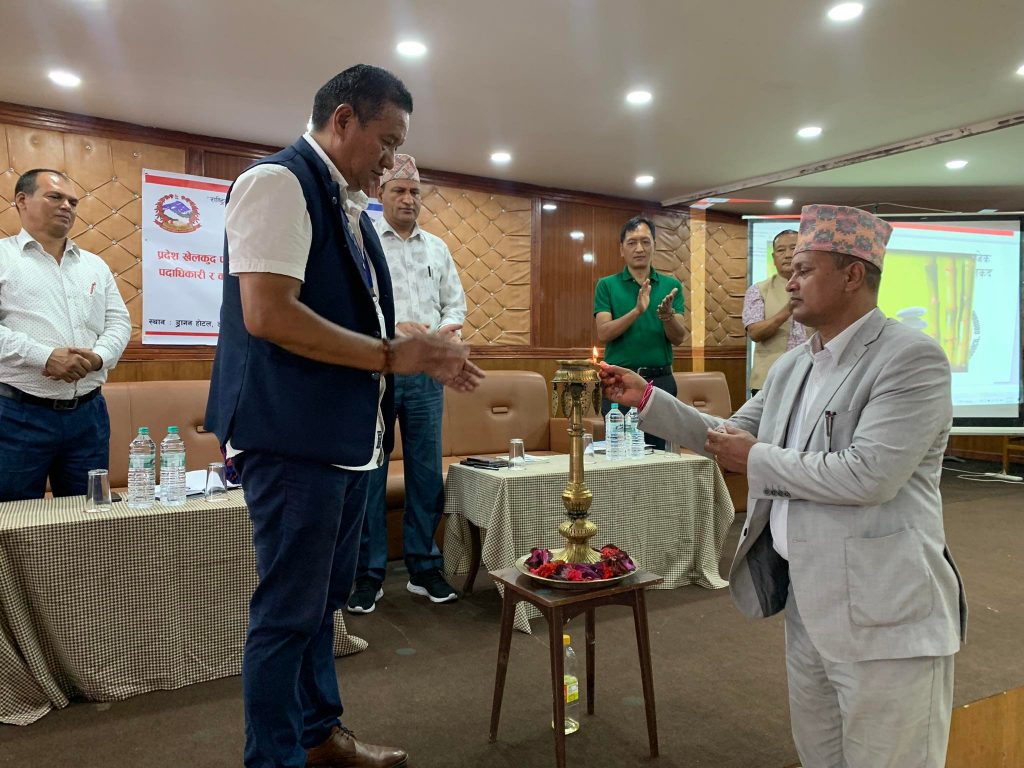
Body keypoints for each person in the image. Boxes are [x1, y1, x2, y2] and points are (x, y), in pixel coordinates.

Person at [600, 204, 966, 768]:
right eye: (790, 270)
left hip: (886, 616)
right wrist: (647, 399)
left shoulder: (909, 358)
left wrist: (757, 458)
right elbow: (727, 436)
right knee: (820, 756)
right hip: (809, 606)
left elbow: (868, 474)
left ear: (852, 275)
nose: (789, 282)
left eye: (804, 270)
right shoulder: (794, 366)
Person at [205, 65, 483, 768]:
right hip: (291, 438)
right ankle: (274, 758)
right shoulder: (277, 182)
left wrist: (422, 356)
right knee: (287, 612)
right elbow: (267, 314)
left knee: (319, 604)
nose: (392, 161)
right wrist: (395, 355)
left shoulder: (350, 210)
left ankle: (319, 737)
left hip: (345, 440)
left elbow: (358, 323)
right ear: (343, 120)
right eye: (386, 142)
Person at [347, 154, 465, 614]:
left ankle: (424, 567)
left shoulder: (437, 248)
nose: (408, 199)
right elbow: (357, 306)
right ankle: (368, 574)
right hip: (377, 374)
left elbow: (455, 306)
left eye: (415, 192)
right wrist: (396, 333)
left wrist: (439, 335)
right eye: (399, 190)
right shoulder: (363, 241)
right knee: (371, 473)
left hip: (426, 378)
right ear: (381, 193)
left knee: (425, 473)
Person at [0, 169, 131, 501]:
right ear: (22, 200)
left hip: (88, 415)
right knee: (13, 517)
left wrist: (98, 357)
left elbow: (119, 323)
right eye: (55, 197)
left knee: (89, 514)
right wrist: (44, 356)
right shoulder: (3, 257)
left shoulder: (94, 266)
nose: (67, 207)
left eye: (73, 201)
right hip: (16, 414)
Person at [593, 215, 685, 450]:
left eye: (645, 242)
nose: (639, 249)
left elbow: (679, 338)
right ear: (621, 249)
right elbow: (603, 332)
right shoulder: (607, 285)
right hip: (619, 383)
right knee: (621, 454)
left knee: (661, 455)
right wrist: (637, 311)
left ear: (654, 245)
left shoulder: (671, 286)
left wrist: (667, 316)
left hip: (660, 382)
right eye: (632, 242)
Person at [743, 229, 809, 395]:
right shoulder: (758, 290)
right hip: (769, 380)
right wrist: (788, 309)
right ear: (773, 258)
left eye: (793, 248)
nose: (787, 255)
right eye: (781, 250)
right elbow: (755, 333)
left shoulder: (819, 288)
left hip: (811, 375)